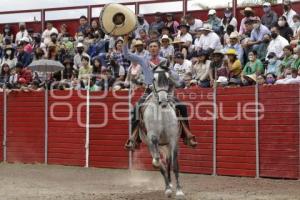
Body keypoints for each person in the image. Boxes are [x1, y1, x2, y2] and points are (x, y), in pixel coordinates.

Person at [122, 36, 197, 150]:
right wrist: (126, 40)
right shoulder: (143, 60)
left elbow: (175, 76)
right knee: (136, 109)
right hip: (149, 91)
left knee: (182, 107)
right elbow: (127, 55)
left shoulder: (165, 61)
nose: (153, 48)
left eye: (155, 46)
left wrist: (171, 75)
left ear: (159, 48)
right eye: (151, 46)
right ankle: (134, 138)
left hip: (165, 91)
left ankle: (187, 134)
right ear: (148, 48)